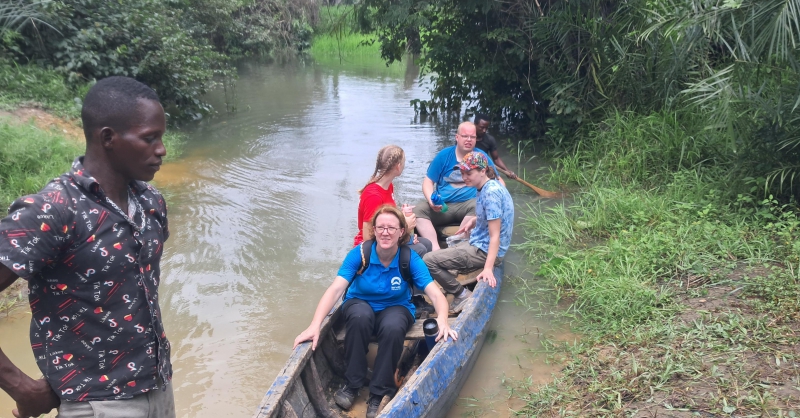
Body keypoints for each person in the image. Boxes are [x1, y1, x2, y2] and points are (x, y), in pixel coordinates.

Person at [0, 76, 175, 418]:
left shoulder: (150, 202)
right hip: (98, 404)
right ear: (108, 138)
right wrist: (21, 387)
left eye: (161, 138)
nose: (161, 150)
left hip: (158, 388)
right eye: (149, 138)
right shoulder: (52, 211)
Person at [294, 205, 457, 418]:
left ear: (401, 232)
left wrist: (443, 320)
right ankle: (353, 383)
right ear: (374, 230)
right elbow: (335, 290)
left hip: (396, 306)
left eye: (391, 227)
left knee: (392, 327)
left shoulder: (409, 259)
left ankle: (379, 393)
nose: (385, 232)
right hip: (360, 302)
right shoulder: (360, 254)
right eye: (380, 227)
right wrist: (315, 325)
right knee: (359, 318)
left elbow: (436, 295)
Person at [423, 152, 514, 313]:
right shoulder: (488, 185)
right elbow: (494, 217)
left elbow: (495, 236)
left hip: (484, 250)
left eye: (469, 173)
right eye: (462, 173)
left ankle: (461, 294)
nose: (464, 177)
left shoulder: (490, 193)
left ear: (483, 171)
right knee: (452, 242)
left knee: (428, 260)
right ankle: (455, 271)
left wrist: (488, 268)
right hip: (481, 242)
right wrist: (475, 221)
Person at [412, 121, 505, 251]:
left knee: (479, 204)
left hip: (469, 205)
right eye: (465, 136)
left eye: (472, 137)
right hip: (444, 206)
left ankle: (459, 245)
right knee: (417, 211)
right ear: (457, 137)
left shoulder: (481, 157)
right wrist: (431, 200)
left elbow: (498, 181)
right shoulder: (444, 156)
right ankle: (435, 249)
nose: (469, 140)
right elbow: (428, 182)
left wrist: (499, 202)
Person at [355, 145, 432, 256]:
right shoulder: (373, 196)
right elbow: (368, 238)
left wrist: (402, 223)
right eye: (404, 162)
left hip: (387, 238)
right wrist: (405, 228)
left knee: (427, 244)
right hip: (372, 248)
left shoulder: (388, 186)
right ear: (398, 166)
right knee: (420, 249)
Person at [474, 113, 517, 179]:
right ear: (475, 125)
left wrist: (507, 171)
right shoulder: (466, 139)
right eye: (482, 127)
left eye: (486, 128)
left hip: (483, 168)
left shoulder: (490, 140)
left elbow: (496, 159)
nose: (484, 130)